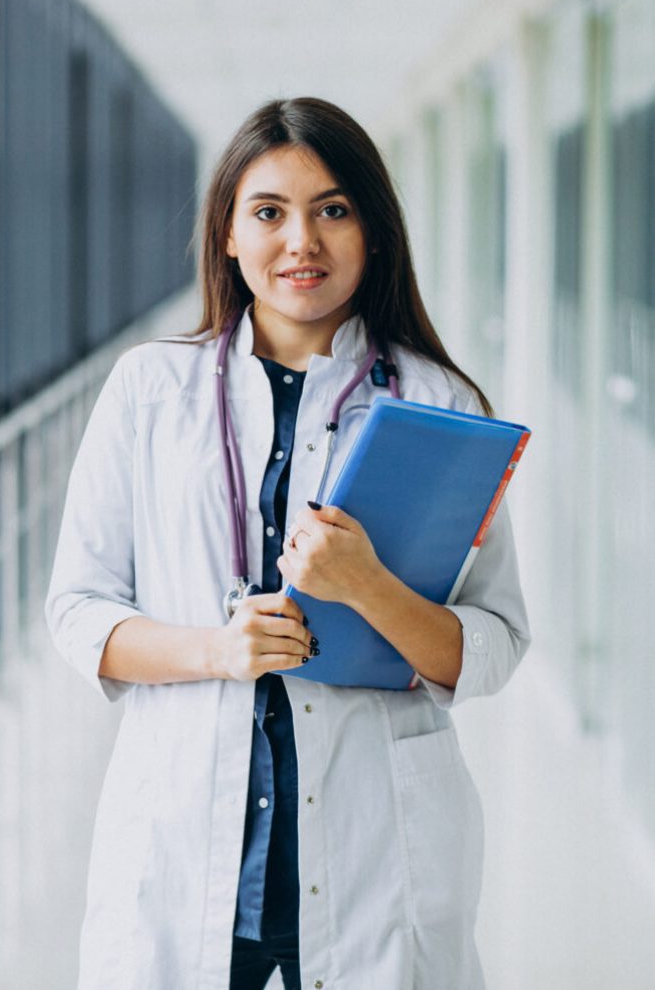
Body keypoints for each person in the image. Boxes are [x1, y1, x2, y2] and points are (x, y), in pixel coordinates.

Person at [45, 97, 530, 990]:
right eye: (269, 212)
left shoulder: (439, 406)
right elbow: (78, 612)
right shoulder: (150, 391)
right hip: (186, 850)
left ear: (374, 233)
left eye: (333, 210)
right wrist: (218, 650)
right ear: (228, 234)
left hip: (376, 851)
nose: (301, 240)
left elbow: (494, 644)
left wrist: (367, 586)